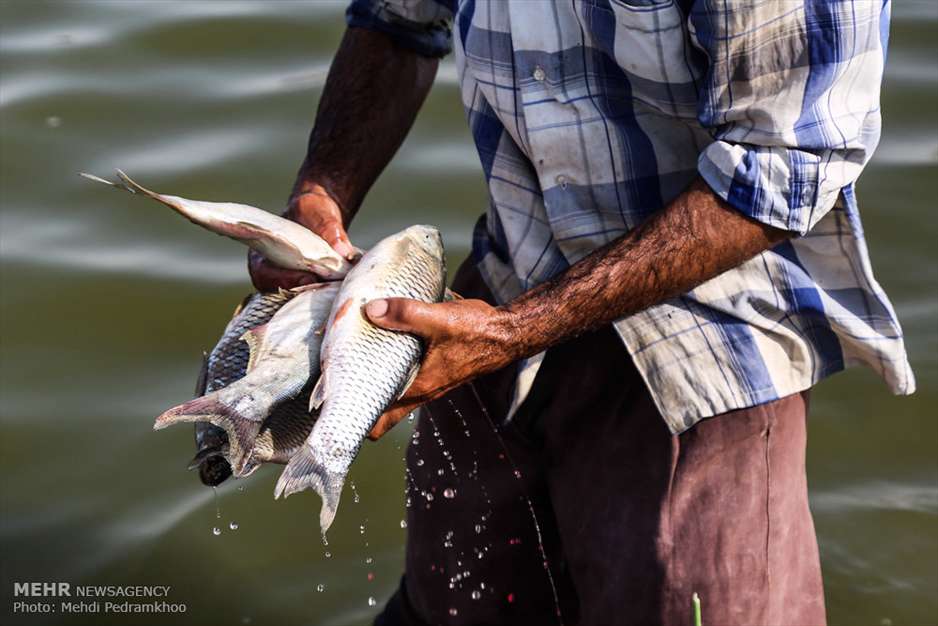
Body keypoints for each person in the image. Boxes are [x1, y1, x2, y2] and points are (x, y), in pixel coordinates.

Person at [249, 1, 915, 624]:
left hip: (700, 352)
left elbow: (786, 164)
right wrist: (324, 187)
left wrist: (512, 333)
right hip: (502, 292)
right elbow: (396, 20)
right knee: (443, 609)